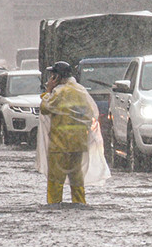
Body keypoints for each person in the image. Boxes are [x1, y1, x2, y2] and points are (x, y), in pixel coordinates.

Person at [38, 61, 109, 205]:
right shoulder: (81, 91)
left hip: (59, 146)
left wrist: (48, 91)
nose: (51, 78)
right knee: (77, 183)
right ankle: (80, 204)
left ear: (57, 77)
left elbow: (45, 108)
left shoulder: (59, 93)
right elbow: (90, 113)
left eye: (53, 75)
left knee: (55, 184)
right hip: (78, 145)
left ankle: (54, 206)